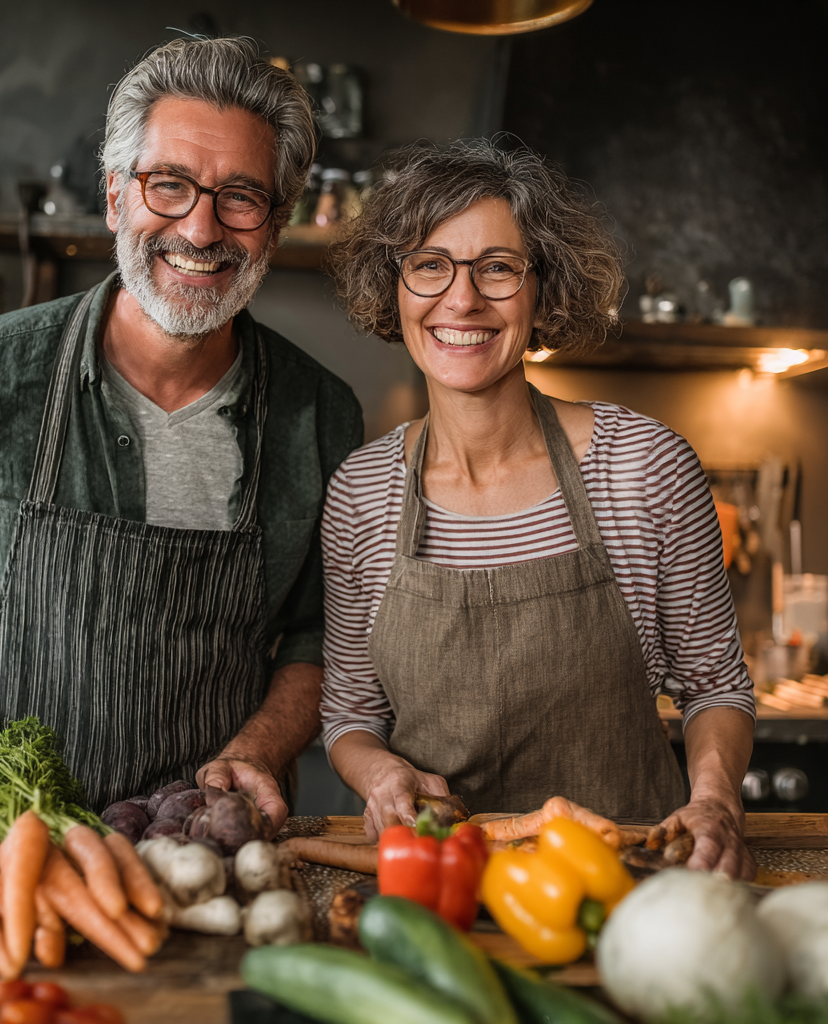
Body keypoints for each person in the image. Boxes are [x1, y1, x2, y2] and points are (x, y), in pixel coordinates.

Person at [0, 37, 363, 828]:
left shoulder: (319, 411)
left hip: (204, 844)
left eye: (241, 196)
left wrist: (260, 749)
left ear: (277, 223)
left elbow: (315, 636)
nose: (200, 228)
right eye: (170, 185)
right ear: (117, 195)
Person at [320, 141, 756, 878]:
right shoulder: (361, 492)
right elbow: (351, 716)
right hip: (441, 881)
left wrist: (715, 800)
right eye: (429, 264)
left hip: (631, 878)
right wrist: (381, 778)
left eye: (498, 267)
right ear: (393, 288)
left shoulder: (642, 467)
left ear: (543, 289)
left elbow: (716, 685)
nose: (462, 300)